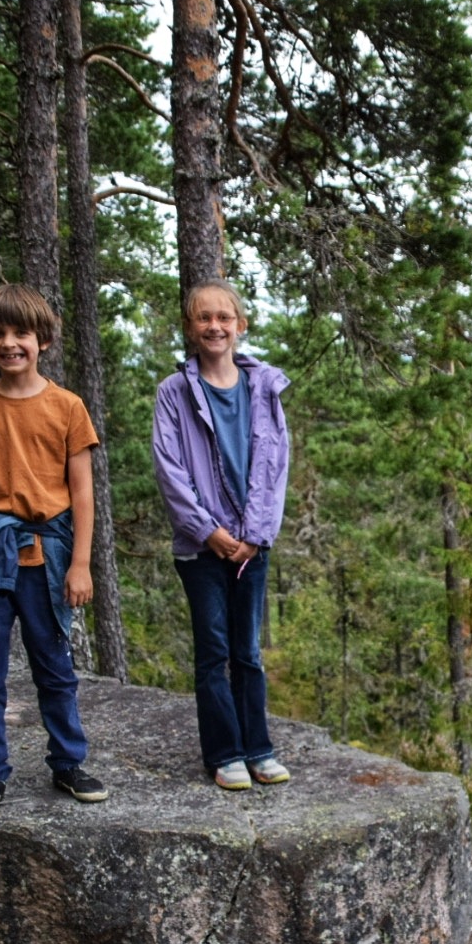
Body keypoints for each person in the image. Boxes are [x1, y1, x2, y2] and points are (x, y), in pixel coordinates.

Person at [0, 283, 108, 819]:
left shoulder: (67, 407)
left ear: (43, 340)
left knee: (54, 666)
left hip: (48, 555)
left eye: (21, 333)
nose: (9, 343)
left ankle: (68, 762)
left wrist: (81, 563)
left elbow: (82, 490)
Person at [152, 279, 292, 790]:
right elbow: (170, 470)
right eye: (204, 318)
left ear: (240, 325)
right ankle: (225, 754)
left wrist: (253, 535)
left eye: (224, 317)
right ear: (190, 328)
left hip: (252, 546)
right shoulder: (174, 393)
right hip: (201, 548)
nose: (215, 326)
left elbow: (274, 466)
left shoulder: (264, 387)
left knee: (247, 652)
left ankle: (258, 748)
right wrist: (209, 532)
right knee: (213, 651)